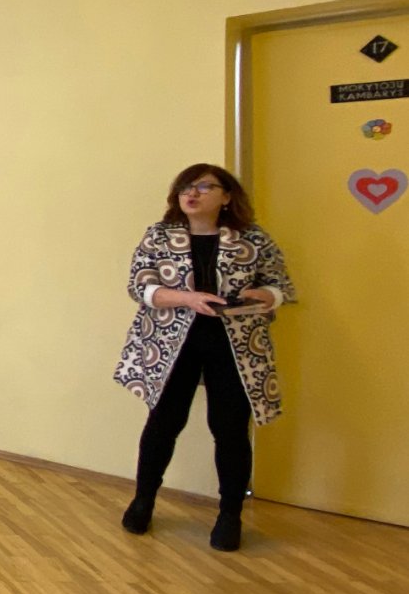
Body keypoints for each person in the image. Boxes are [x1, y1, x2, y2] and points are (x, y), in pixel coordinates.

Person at [115, 164, 295, 551]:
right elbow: (139, 286)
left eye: (203, 187)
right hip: (170, 344)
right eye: (185, 188)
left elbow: (279, 284)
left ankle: (230, 515)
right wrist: (188, 298)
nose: (191, 194)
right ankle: (143, 500)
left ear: (226, 196)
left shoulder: (253, 238)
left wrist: (266, 296)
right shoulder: (159, 235)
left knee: (230, 429)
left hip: (235, 345)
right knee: (163, 423)